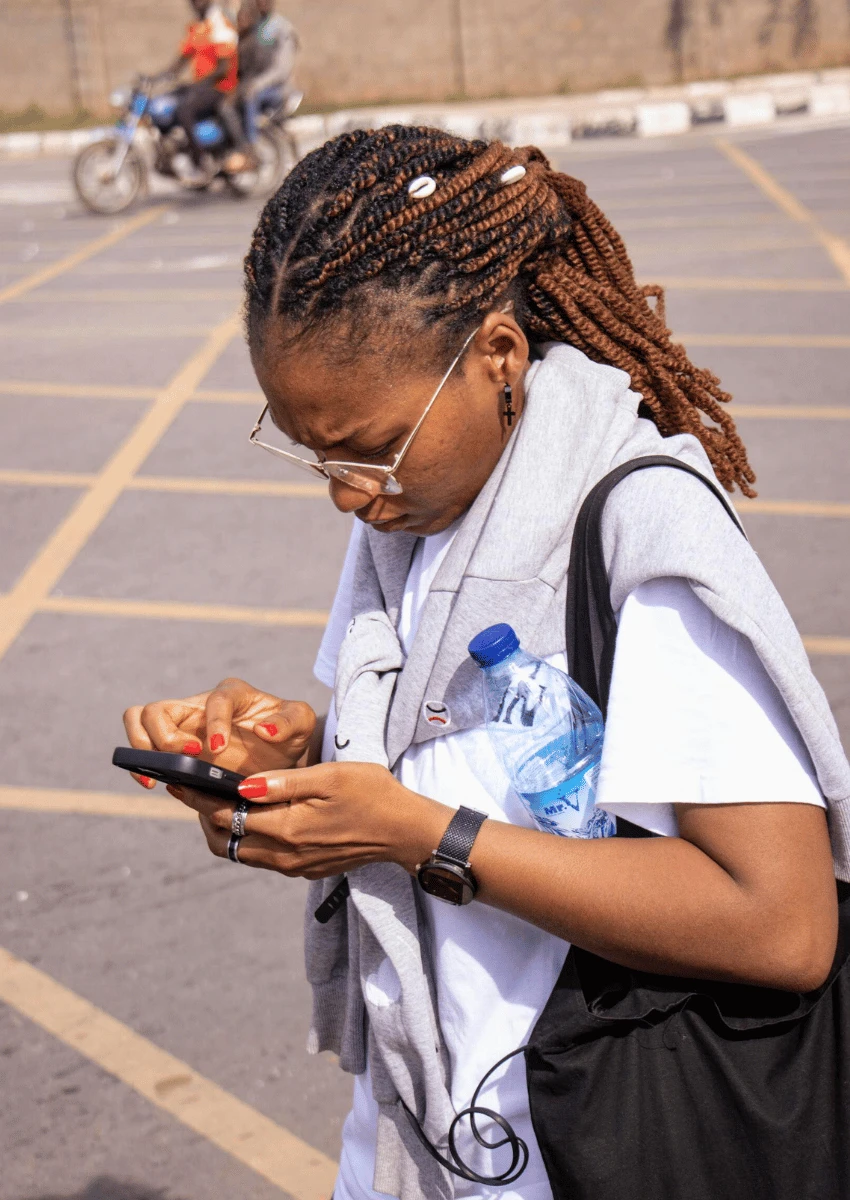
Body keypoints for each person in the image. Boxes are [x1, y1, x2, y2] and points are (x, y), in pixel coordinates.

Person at [123, 127, 850, 1200]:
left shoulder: (633, 536)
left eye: (368, 446)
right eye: (311, 451)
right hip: (428, 1131)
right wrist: (298, 754)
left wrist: (422, 836)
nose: (345, 491)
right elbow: (453, 754)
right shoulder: (413, 516)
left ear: (499, 357)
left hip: (595, 1141)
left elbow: (778, 922)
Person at [151, 0, 238, 182]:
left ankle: (200, 163)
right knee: (170, 100)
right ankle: (172, 156)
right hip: (203, 86)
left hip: (220, 87)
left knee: (184, 109)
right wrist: (158, 77)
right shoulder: (197, 26)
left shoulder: (219, 23)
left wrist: (200, 83)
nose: (195, 3)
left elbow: (224, 66)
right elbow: (182, 58)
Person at [221, 0, 299, 173]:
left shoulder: (281, 28)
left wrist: (257, 84)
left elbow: (281, 69)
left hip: (277, 89)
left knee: (249, 96)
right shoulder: (257, 27)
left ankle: (251, 149)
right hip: (256, 85)